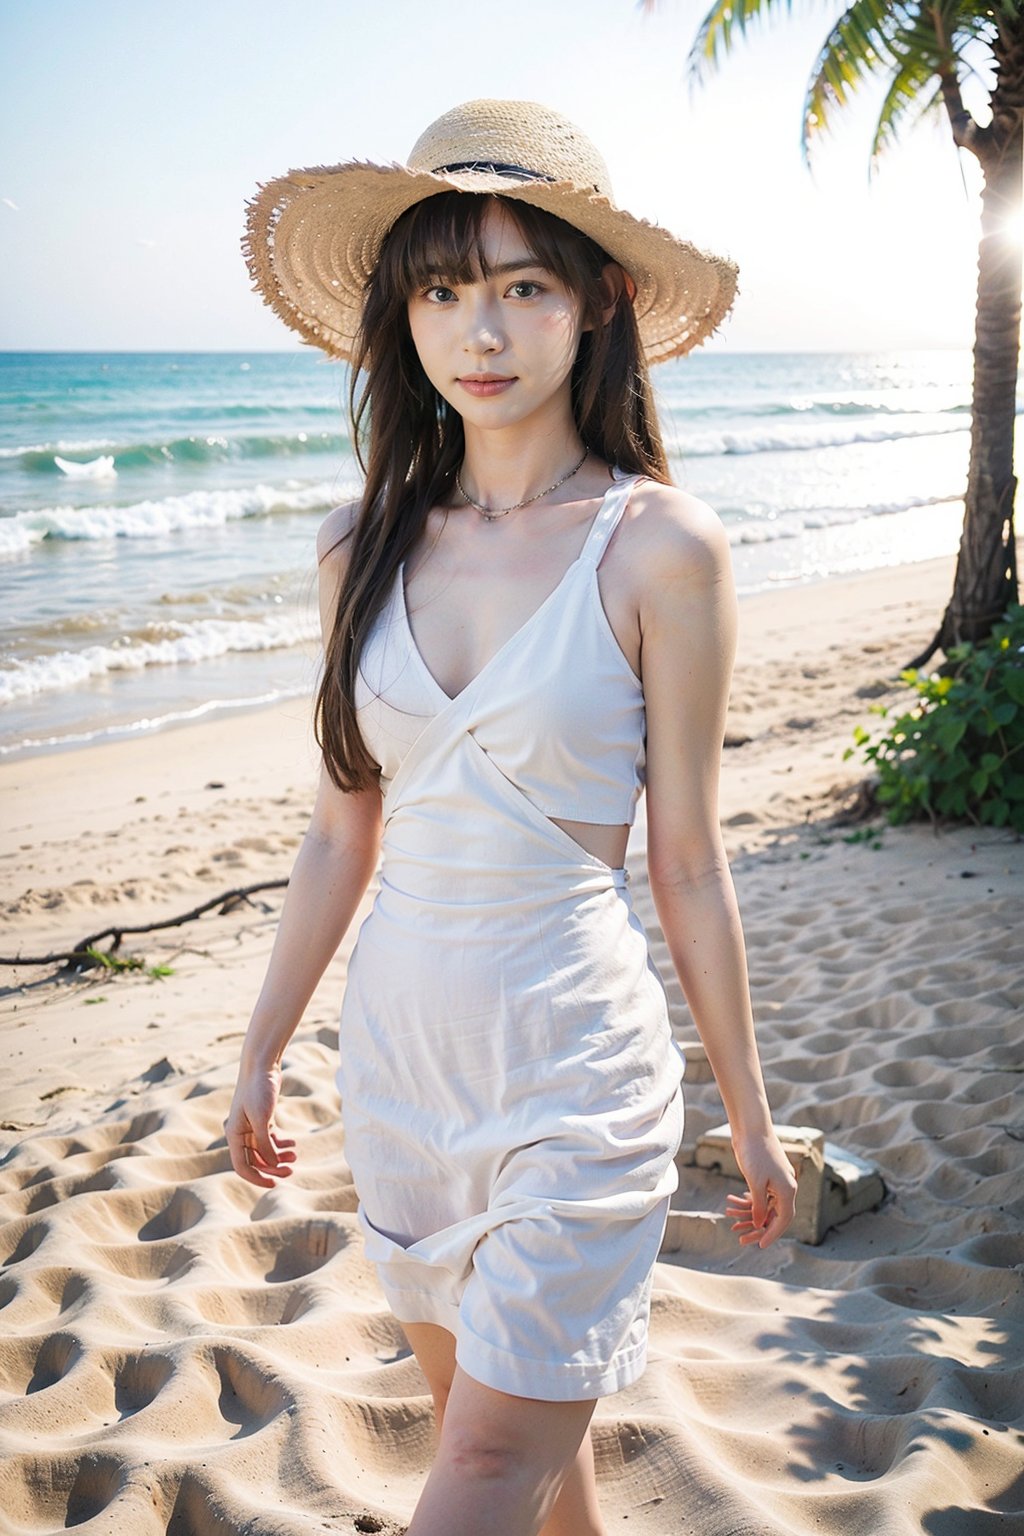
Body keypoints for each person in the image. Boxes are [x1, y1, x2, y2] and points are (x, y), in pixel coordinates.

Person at [228, 99, 798, 1536]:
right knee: (538, 1482)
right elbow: (338, 833)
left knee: (476, 1473)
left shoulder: (661, 546)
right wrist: (260, 1049)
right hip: (403, 1066)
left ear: (597, 303)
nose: (478, 332)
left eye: (521, 287)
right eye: (441, 290)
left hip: (576, 1068)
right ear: (401, 314)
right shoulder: (357, 543)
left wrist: (752, 1112)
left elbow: (686, 858)